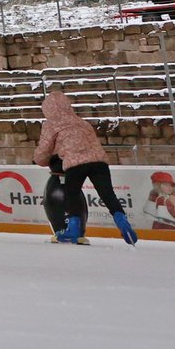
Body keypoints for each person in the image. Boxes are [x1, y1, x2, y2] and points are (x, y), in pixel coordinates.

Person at [36, 88, 136, 244]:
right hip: (99, 162)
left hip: (75, 163)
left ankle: (73, 230)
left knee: (72, 194)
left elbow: (44, 150)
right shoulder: (82, 122)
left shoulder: (51, 124)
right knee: (108, 194)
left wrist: (40, 160)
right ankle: (122, 222)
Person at [43, 156, 89, 244]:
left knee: (72, 202)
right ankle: (72, 232)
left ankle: (66, 232)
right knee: (73, 202)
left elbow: (40, 158)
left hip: (61, 179)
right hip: (66, 177)